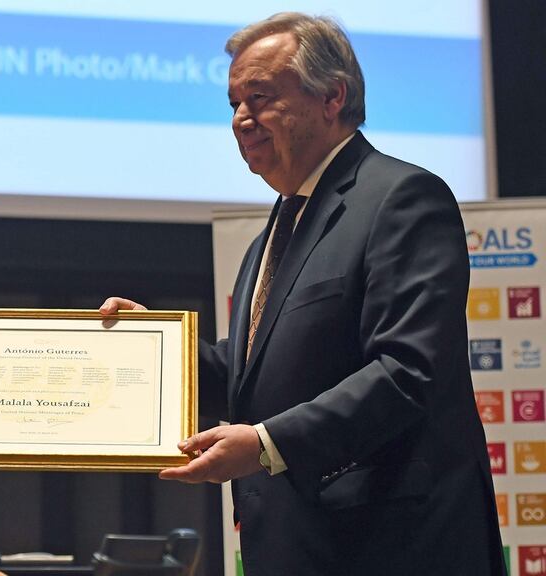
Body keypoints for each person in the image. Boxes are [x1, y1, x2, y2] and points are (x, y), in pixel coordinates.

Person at [101, 13, 505, 576]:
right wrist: (158, 350)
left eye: (261, 97)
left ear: (332, 96)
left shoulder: (402, 197)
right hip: (298, 544)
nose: (242, 119)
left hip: (390, 546)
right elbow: (255, 378)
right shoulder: (276, 229)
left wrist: (266, 443)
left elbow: (408, 371)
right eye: (234, 104)